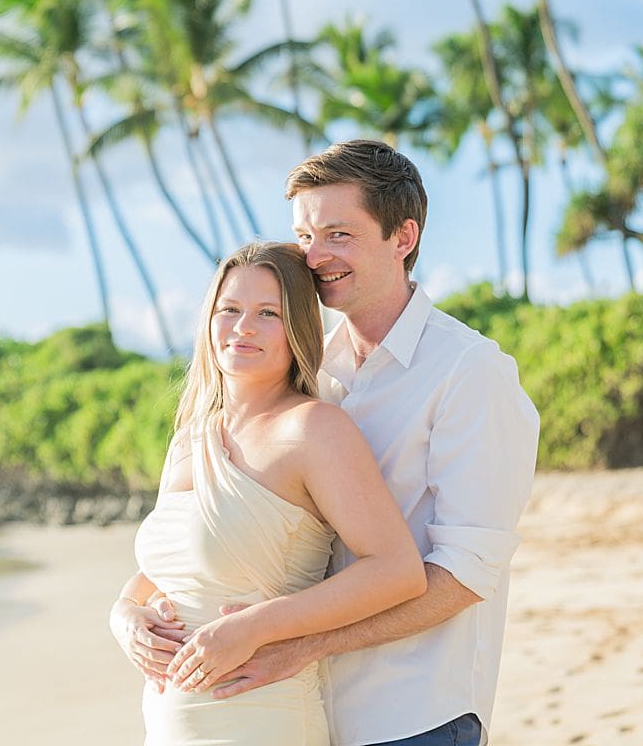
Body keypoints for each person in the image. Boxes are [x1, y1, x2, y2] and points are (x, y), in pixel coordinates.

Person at [118, 139, 540, 746]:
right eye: (306, 236)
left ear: (404, 237)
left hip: (413, 711)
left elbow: (467, 573)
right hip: (304, 702)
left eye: (339, 234)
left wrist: (296, 644)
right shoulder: (316, 371)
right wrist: (125, 615)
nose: (315, 257)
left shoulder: (471, 373)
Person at [112, 241, 428, 746]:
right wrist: (125, 614)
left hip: (262, 719)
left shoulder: (314, 428)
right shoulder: (191, 437)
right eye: (230, 310)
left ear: (297, 329)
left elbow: (396, 570)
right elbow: (170, 568)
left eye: (267, 313)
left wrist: (254, 628)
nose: (242, 328)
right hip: (170, 724)